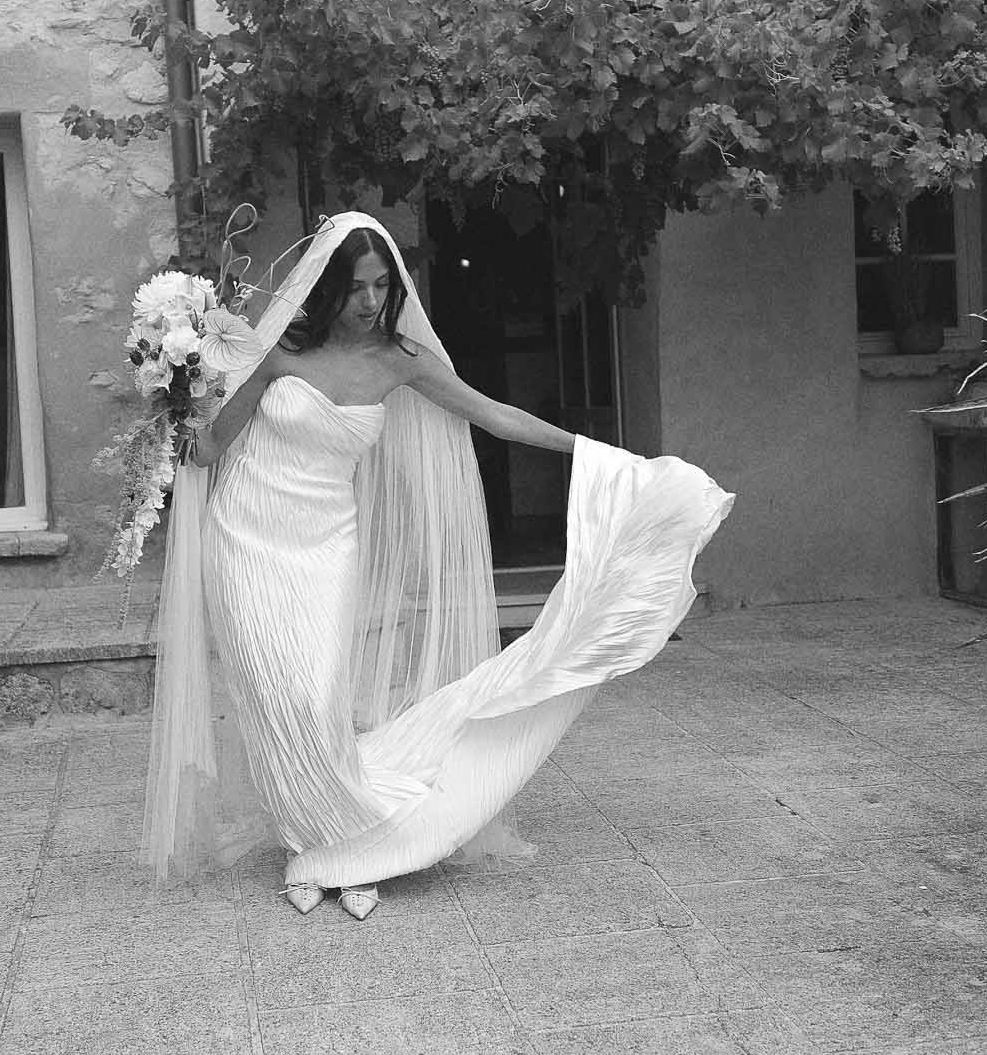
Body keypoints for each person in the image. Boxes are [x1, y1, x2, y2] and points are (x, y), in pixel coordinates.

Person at [140, 212, 732, 919]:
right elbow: (208, 452)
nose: (369, 299)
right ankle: (321, 840)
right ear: (328, 289)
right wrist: (176, 391)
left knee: (317, 695)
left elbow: (494, 416)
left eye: (380, 284)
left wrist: (597, 455)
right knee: (276, 698)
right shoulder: (278, 353)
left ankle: (346, 847)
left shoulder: (400, 359)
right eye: (357, 286)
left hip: (326, 541)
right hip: (248, 537)